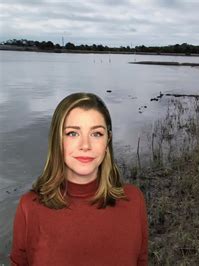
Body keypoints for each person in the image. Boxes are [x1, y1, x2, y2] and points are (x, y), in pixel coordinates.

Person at [9, 92, 148, 266]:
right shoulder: (29, 207)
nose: (85, 145)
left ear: (108, 140)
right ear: (57, 140)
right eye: (72, 133)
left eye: (96, 134)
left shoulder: (134, 201)